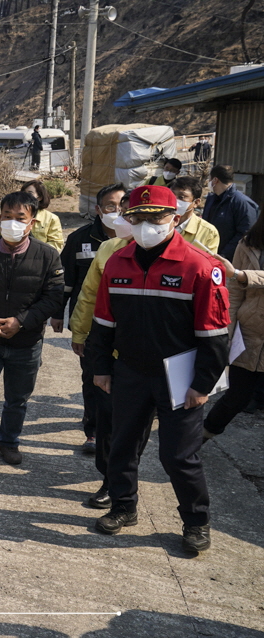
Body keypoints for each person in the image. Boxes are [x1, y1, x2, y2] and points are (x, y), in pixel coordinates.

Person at [87, 185, 230, 554]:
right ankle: (123, 506)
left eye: (157, 217)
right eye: (138, 217)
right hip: (130, 370)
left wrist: (202, 385)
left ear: (176, 219)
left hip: (181, 375)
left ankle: (196, 521)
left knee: (178, 456)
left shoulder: (200, 266)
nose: (147, 224)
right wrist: (100, 368)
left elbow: (215, 336)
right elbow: (103, 321)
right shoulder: (117, 262)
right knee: (122, 444)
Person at [0, 191, 64, 469]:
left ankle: (9, 442)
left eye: (20, 218)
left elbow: (53, 297)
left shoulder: (47, 256)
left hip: (26, 342)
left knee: (17, 399)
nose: (12, 223)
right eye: (7, 216)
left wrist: (22, 321)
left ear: (32, 222)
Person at [67, 192, 152, 509]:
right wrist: (80, 329)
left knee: (134, 425)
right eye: (125, 213)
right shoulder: (107, 250)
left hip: (144, 358)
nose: (126, 219)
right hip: (105, 350)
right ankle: (109, 475)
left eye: (134, 214)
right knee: (105, 419)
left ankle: (119, 482)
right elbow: (89, 295)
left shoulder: (168, 253)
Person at [53, 183, 127, 456]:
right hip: (90, 323)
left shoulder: (137, 244)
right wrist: (58, 313)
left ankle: (118, 427)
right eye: (110, 206)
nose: (117, 211)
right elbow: (67, 281)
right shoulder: (80, 238)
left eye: (122, 206)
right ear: (98, 209)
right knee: (93, 378)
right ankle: (93, 431)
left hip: (124, 325)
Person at [203, 212, 264, 441]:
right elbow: (235, 292)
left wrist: (240, 275)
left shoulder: (240, 270)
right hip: (248, 335)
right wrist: (227, 331)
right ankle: (201, 436)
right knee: (236, 397)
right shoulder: (248, 243)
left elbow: (237, 278)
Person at [202, 165, 259, 259]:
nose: (208, 182)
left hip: (230, 260)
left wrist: (223, 256)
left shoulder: (243, 203)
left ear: (215, 180)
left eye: (210, 179)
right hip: (208, 255)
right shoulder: (212, 199)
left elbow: (244, 234)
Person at [171, 176, 220, 253]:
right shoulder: (158, 223)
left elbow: (209, 262)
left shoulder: (208, 232)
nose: (175, 200)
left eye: (181, 197)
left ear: (196, 202)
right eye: (172, 196)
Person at [22, 180, 64, 250]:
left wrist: (35, 251)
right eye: (23, 193)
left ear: (39, 197)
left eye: (30, 193)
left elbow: (56, 244)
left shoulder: (51, 219)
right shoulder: (12, 216)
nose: (25, 197)